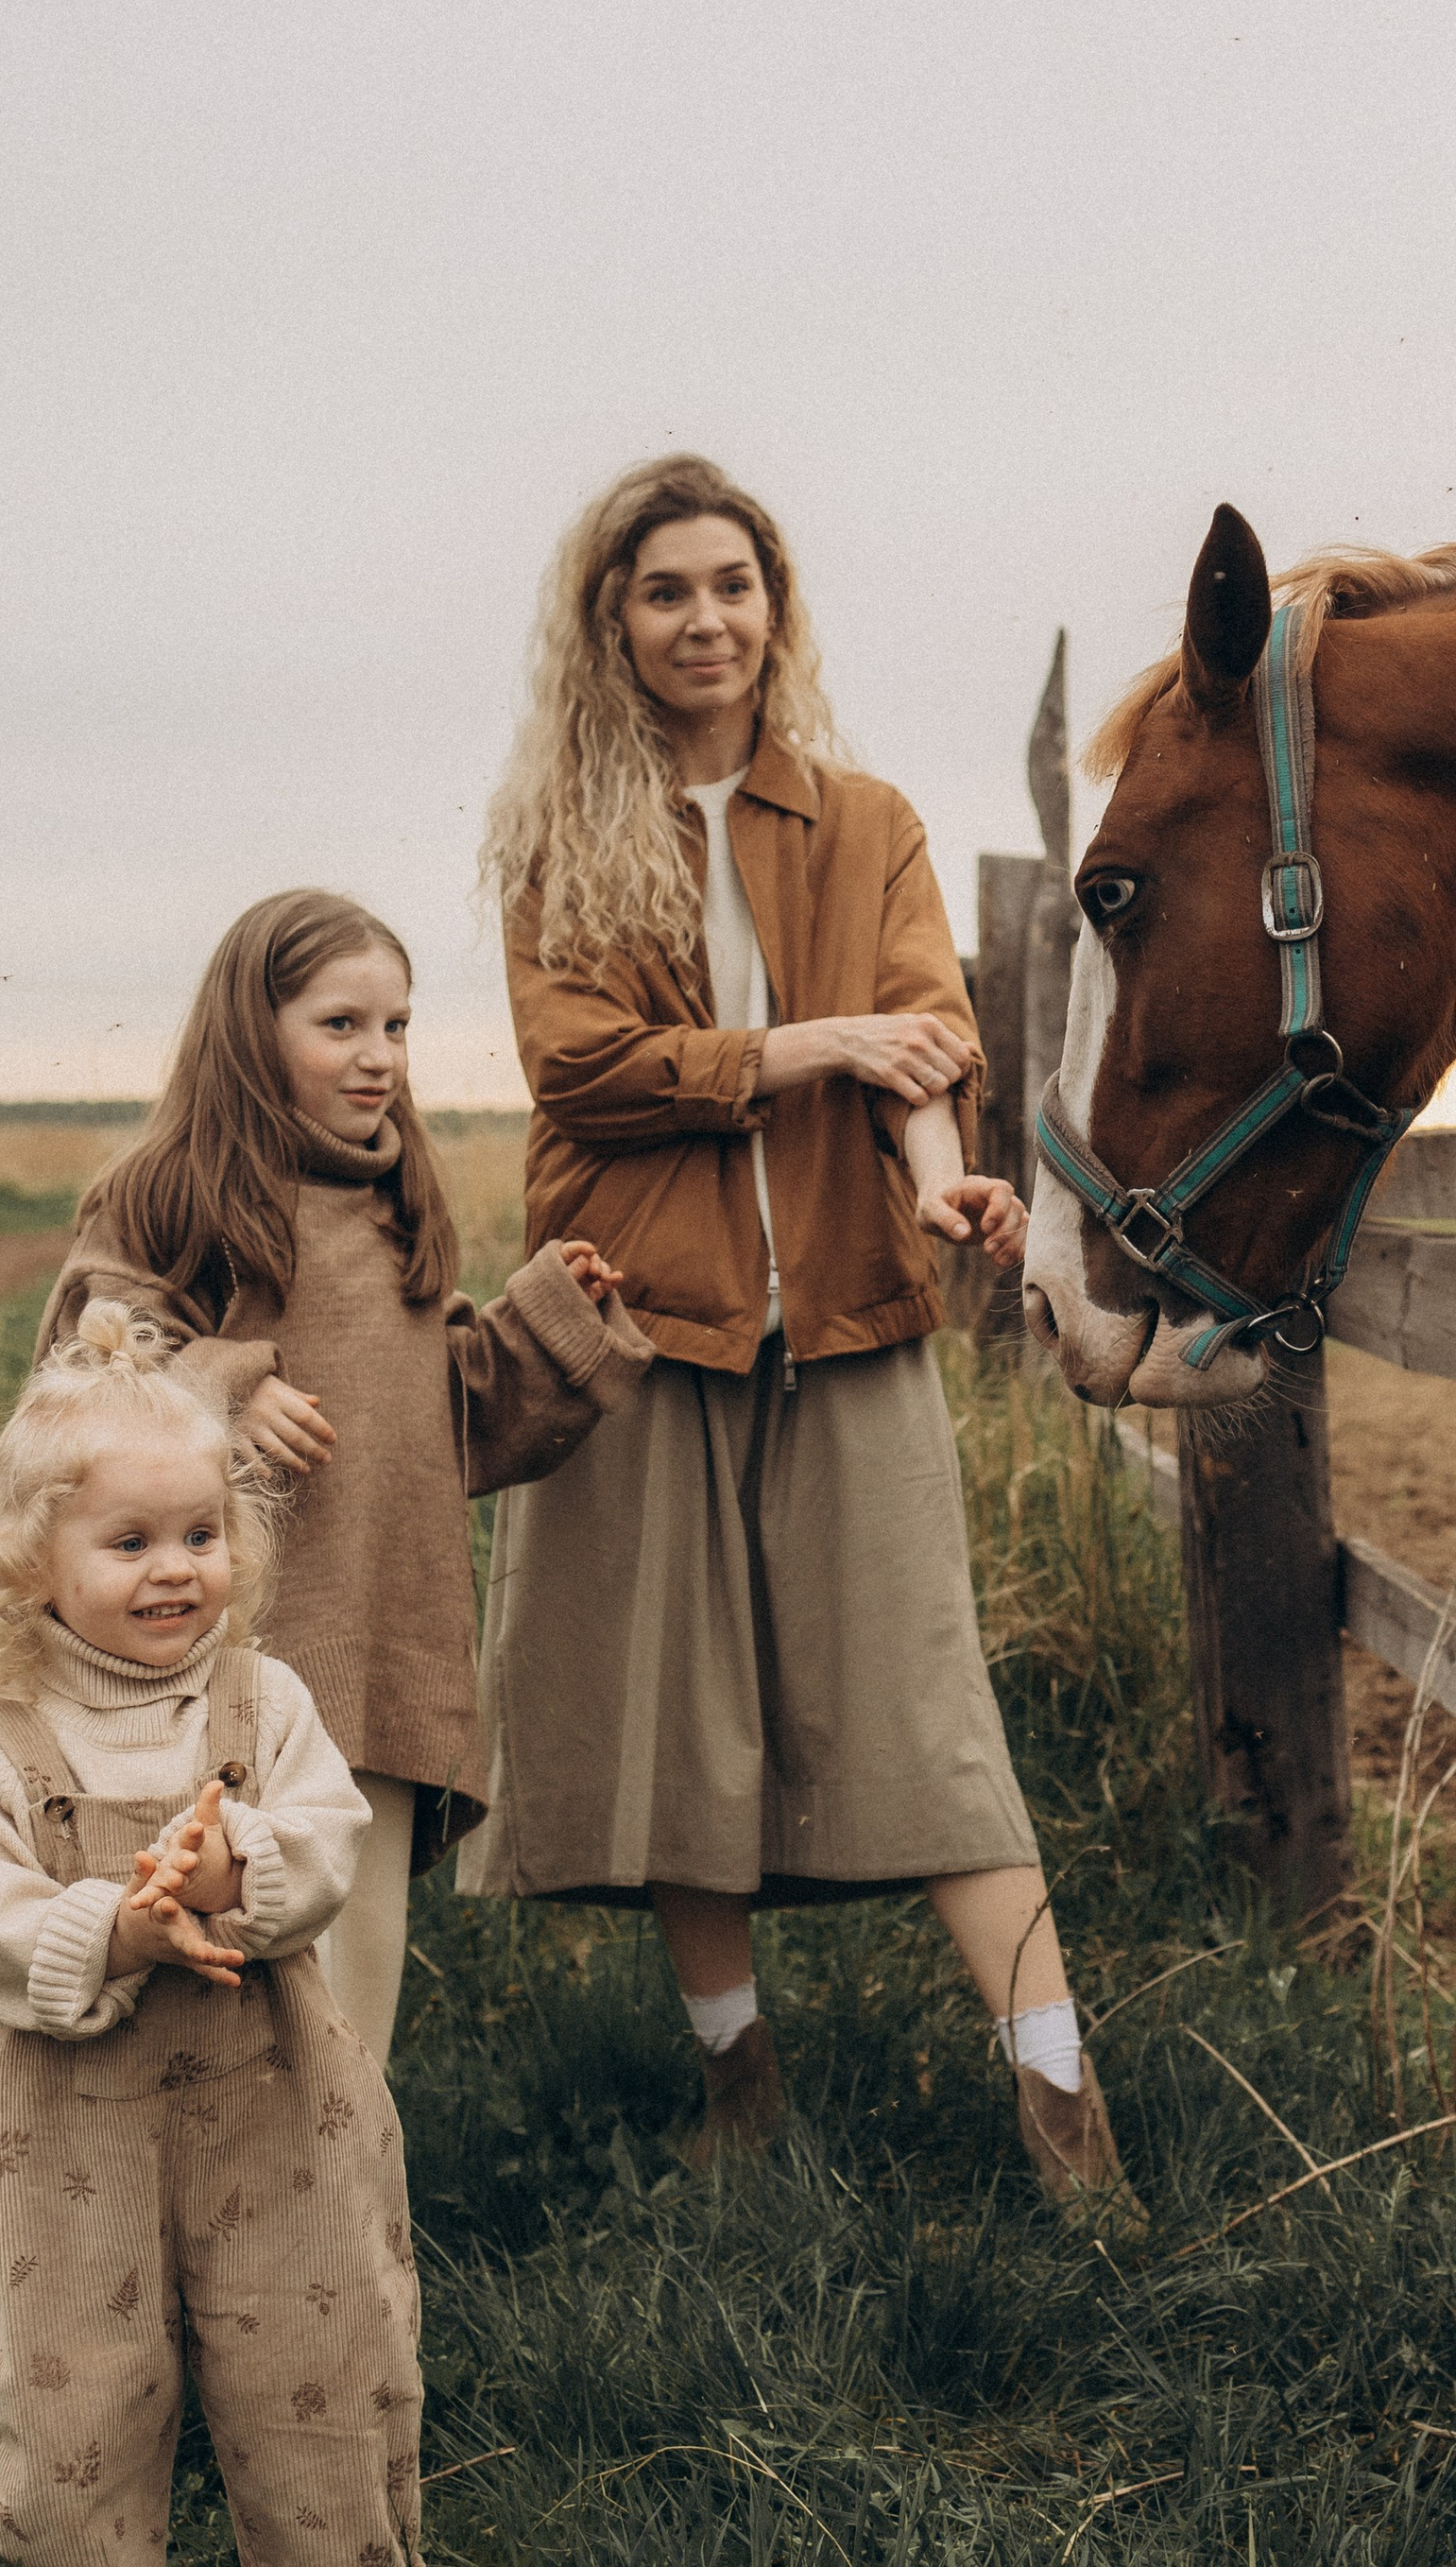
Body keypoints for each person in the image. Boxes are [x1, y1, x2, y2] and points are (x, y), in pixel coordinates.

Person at [465, 451, 1139, 2223]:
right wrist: (814, 1050)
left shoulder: (868, 820)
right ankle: (739, 2101)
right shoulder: (563, 837)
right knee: (679, 1741)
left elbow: (921, 1036)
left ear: (778, 610)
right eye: (666, 590)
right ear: (613, 623)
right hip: (638, 1335)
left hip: (847, 1320)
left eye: (732, 586)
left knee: (931, 1724)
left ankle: (1074, 2133)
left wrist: (936, 1184)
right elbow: (586, 1074)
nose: (706, 620)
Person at [0, 1303, 420, 2567]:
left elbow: (326, 1844)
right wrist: (115, 1933)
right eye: (127, 1545)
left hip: (280, 2109)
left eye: (198, 1537)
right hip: (73, 2137)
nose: (171, 1572)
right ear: (31, 1566)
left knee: (315, 2346)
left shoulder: (266, 1705)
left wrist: (236, 1863)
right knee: (76, 2384)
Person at [40, 888, 652, 2064]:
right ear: (250, 1029)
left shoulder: (396, 1206)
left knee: (346, 1998)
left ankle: (345, 2219)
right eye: (340, 1025)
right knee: (201, 1978)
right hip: (220, 1661)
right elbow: (92, 1340)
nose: (377, 1059)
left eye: (398, 1027)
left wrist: (549, 1319)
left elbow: (436, 1417)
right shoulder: (172, 1189)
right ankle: (199, 2224)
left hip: (381, 1649)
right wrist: (226, 1383)